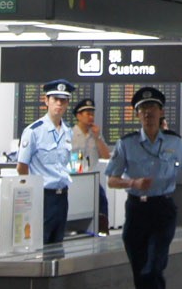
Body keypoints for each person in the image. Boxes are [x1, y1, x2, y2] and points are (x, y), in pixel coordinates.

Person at [105, 85, 182, 289]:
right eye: (142, 110)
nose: (147, 114)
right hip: (136, 211)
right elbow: (111, 178)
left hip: (163, 210)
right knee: (139, 272)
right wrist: (132, 181)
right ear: (137, 115)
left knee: (153, 268)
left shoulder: (174, 142)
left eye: (152, 109)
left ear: (161, 112)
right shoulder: (127, 144)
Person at [17, 80, 77, 244]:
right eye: (55, 99)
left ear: (67, 103)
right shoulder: (34, 131)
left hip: (62, 196)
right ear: (46, 101)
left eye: (63, 100)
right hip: (43, 196)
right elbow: (22, 166)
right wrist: (31, 193)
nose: (59, 103)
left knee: (58, 244)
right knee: (40, 242)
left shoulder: (67, 131)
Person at [70, 97, 112, 234]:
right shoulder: (69, 134)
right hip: (74, 180)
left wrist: (97, 137)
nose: (91, 116)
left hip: (92, 180)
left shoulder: (96, 134)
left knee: (102, 204)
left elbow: (106, 156)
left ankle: (102, 233)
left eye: (92, 113)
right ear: (78, 116)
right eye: (87, 113)